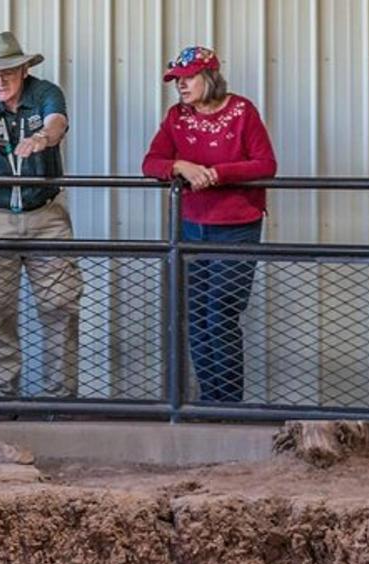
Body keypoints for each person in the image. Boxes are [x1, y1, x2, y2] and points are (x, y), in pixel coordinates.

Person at [142, 46, 277, 403]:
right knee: (197, 315)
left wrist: (218, 174)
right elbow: (151, 161)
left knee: (221, 312)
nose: (181, 87)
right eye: (177, 81)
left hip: (236, 225)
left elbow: (265, 164)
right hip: (191, 226)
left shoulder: (242, 111)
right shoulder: (176, 118)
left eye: (188, 79)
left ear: (210, 77)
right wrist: (180, 166)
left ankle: (228, 403)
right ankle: (209, 400)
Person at [0, 31, 82, 403]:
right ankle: (0, 395)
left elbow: (56, 121)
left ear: (24, 69)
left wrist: (43, 137)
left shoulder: (44, 93)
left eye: (7, 72)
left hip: (46, 215)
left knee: (59, 304)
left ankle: (59, 398)